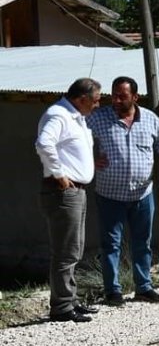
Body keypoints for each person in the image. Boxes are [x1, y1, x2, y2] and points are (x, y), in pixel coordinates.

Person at [87, 76, 159, 306]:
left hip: (142, 195)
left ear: (135, 97)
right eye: (114, 95)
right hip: (110, 195)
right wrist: (89, 158)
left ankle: (144, 287)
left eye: (122, 96)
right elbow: (77, 140)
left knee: (142, 243)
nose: (116, 100)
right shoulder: (98, 118)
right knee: (110, 245)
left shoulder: (149, 119)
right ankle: (113, 291)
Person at [35, 78, 103, 323]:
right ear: (81, 98)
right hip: (62, 191)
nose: (97, 105)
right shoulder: (59, 115)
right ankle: (62, 306)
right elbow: (44, 143)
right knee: (65, 251)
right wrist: (59, 174)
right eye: (95, 101)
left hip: (77, 191)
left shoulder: (76, 117)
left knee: (74, 248)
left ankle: (70, 300)